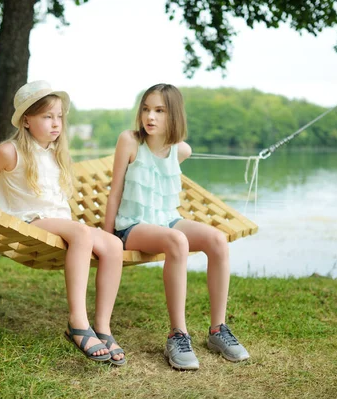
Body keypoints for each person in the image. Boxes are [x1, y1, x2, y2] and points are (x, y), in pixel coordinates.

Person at [0, 80, 126, 366]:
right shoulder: (9, 152)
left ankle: (102, 327)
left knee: (115, 244)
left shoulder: (56, 153)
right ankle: (77, 323)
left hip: (59, 222)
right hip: (28, 222)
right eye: (47, 116)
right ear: (26, 120)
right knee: (81, 232)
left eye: (59, 117)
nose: (56, 123)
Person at [104, 83, 249, 370]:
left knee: (217, 239)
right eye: (146, 109)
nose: (151, 117)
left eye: (159, 110)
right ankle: (178, 334)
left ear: (174, 115)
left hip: (167, 219)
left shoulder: (181, 150)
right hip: (132, 226)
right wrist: (109, 238)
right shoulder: (129, 141)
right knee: (177, 241)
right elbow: (115, 191)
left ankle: (218, 329)